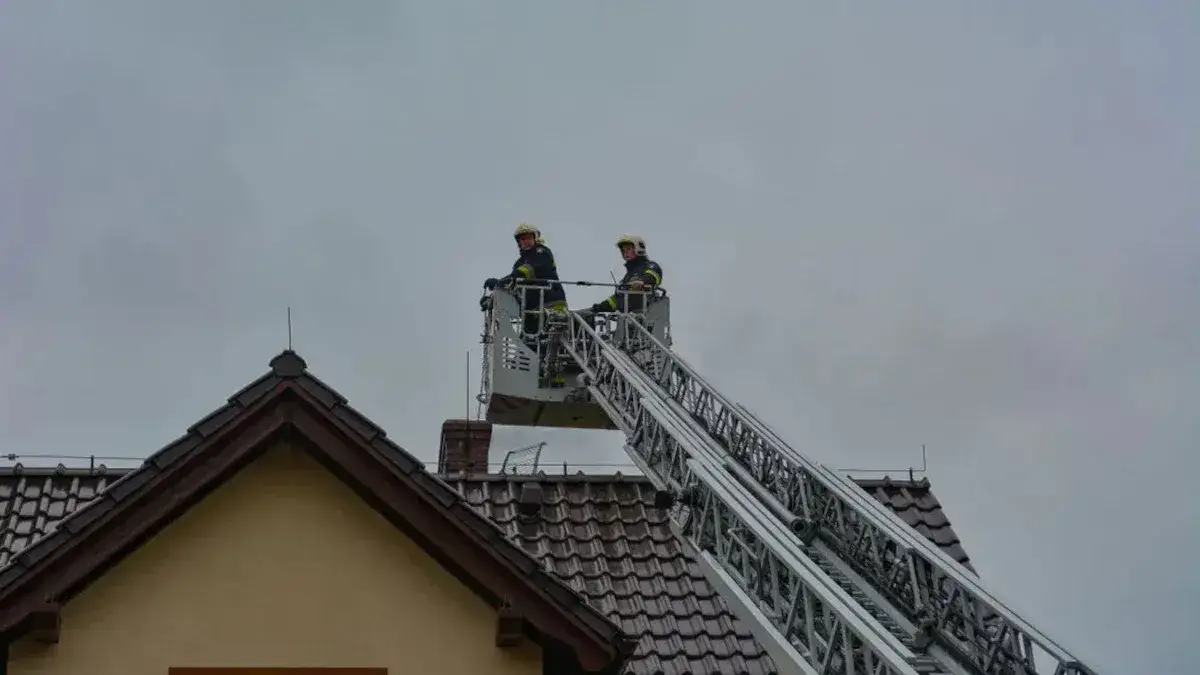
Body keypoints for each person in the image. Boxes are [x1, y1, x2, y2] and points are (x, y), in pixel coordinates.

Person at [483, 222, 568, 340]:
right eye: (523, 239)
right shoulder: (519, 262)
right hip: (531, 312)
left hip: (551, 307)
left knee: (540, 344)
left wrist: (502, 282)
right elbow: (514, 285)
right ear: (519, 242)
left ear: (535, 238)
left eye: (529, 238)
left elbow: (528, 271)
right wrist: (493, 299)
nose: (526, 241)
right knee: (529, 348)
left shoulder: (542, 252)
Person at [582, 234, 663, 315]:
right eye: (623, 250)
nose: (625, 252)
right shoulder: (627, 277)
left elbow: (653, 275)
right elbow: (617, 299)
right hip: (626, 321)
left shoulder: (650, 266)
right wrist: (599, 307)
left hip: (644, 319)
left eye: (628, 249)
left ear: (639, 249)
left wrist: (642, 282)